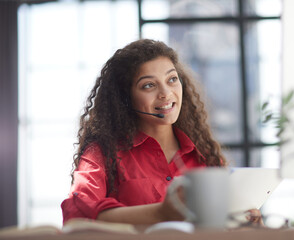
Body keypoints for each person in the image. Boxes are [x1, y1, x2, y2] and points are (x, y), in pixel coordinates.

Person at [61, 39, 227, 225]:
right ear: (125, 99)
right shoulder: (103, 152)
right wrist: (159, 213)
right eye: (149, 85)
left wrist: (244, 221)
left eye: (172, 79)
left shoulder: (204, 154)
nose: (166, 93)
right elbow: (76, 212)